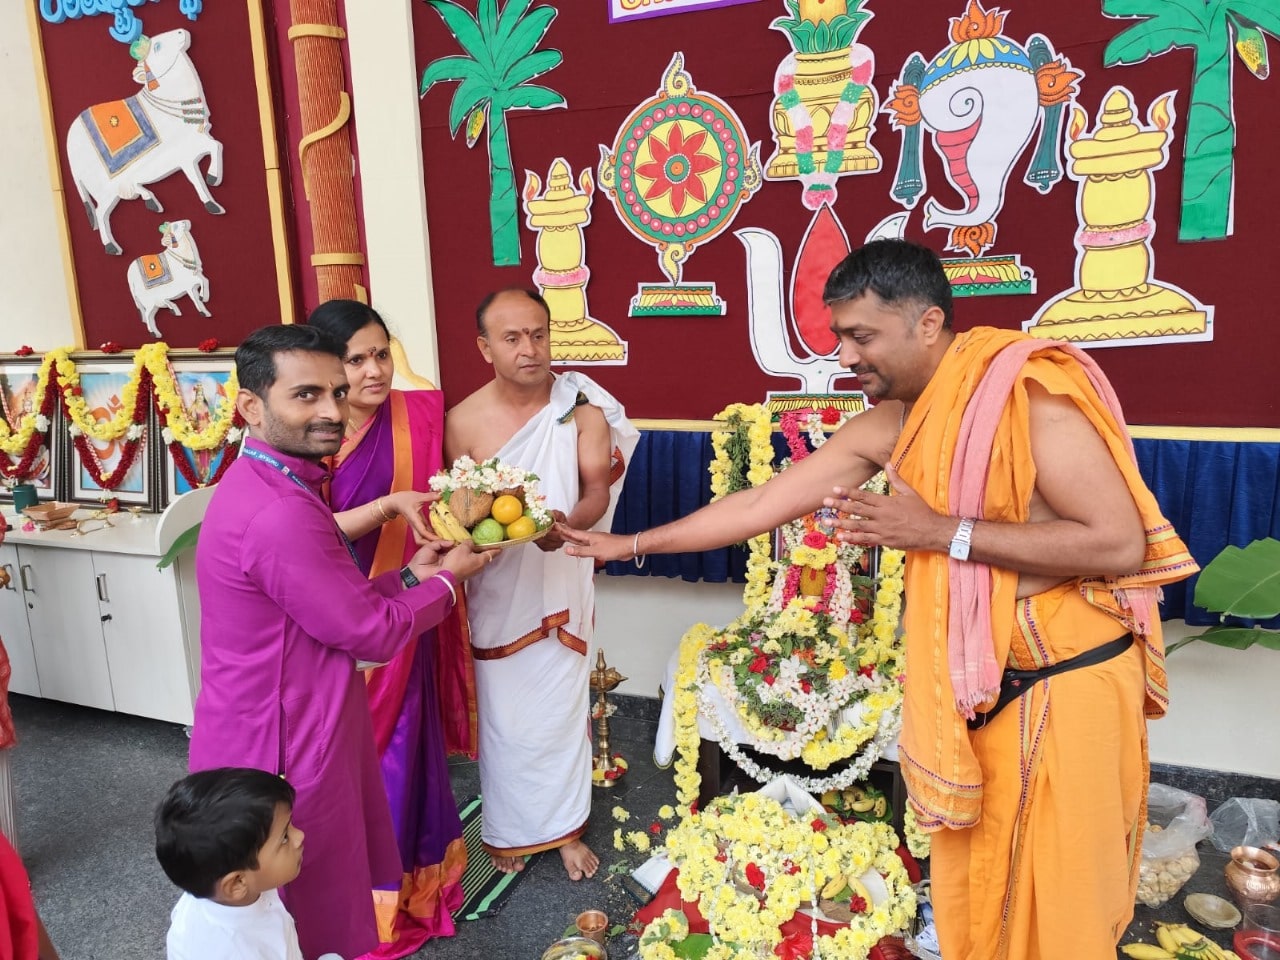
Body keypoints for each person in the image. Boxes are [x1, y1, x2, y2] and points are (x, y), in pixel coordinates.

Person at [564, 240, 1197, 959]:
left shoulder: (1031, 403)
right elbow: (762, 503)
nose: (847, 356)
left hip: (1067, 687)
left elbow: (1118, 544)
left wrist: (937, 532)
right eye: (841, 337)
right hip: (985, 696)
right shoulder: (896, 423)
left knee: (1062, 904)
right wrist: (631, 542)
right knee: (987, 889)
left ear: (928, 323)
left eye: (862, 336)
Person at [190, 324, 495, 960]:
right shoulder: (280, 508)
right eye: (305, 395)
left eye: (336, 390)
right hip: (286, 740)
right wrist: (448, 585)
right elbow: (368, 632)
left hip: (277, 717)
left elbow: (335, 603)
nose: (332, 410)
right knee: (311, 900)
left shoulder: (271, 487)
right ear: (251, 407)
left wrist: (415, 573)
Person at [445, 288, 638, 881]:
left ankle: (565, 828)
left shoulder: (581, 409)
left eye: (538, 334)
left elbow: (596, 491)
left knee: (558, 706)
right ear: (484, 347)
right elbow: (461, 506)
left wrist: (565, 526)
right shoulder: (462, 419)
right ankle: (509, 828)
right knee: (506, 713)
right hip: (498, 584)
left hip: (560, 569)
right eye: (511, 338)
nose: (529, 349)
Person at [307, 300, 472, 955]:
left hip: (407, 610)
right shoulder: (312, 434)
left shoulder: (417, 415)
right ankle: (355, 899)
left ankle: (407, 888)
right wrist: (384, 510)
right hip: (335, 622)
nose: (376, 370)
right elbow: (306, 534)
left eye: (382, 353)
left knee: (402, 754)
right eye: (357, 359)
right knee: (350, 765)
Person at [155, 768, 322, 960]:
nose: (299, 836)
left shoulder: (230, 882)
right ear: (236, 883)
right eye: (284, 837)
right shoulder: (232, 951)